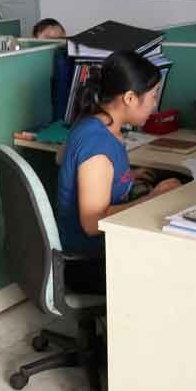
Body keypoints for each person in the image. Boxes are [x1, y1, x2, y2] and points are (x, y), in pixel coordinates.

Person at [57, 51, 182, 292]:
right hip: (90, 263)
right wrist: (154, 197)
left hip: (102, 250)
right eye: (153, 96)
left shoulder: (98, 124)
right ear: (130, 98)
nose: (155, 104)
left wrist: (127, 177)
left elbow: (86, 173)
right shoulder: (98, 147)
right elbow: (93, 223)